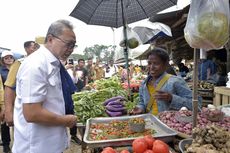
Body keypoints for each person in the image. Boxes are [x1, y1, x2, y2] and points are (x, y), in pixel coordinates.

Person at [12, 19, 77, 153]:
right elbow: (32, 113)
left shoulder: (53, 64)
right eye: (68, 44)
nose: (70, 50)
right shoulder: (36, 65)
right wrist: (65, 120)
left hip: (51, 144)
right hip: (36, 146)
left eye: (73, 45)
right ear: (50, 39)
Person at [130, 48, 199, 115]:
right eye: (149, 63)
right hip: (151, 122)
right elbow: (142, 102)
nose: (151, 67)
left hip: (170, 123)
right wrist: (140, 108)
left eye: (156, 63)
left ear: (165, 65)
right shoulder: (144, 84)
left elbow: (196, 105)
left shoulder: (175, 81)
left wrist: (171, 98)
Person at [4, 41, 39, 127]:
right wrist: (8, 111)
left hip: (41, 112)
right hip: (22, 110)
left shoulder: (47, 62)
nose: (36, 49)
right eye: (33, 47)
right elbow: (9, 87)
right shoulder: (19, 63)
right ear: (26, 49)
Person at [0, 51, 15, 153]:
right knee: (5, 122)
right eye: (6, 58)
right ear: (2, 60)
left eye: (10, 57)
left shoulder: (18, 69)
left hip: (17, 99)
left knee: (17, 122)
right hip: (5, 99)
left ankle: (17, 143)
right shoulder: (1, 71)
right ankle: (6, 144)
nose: (9, 59)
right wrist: (3, 105)